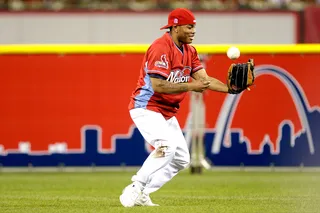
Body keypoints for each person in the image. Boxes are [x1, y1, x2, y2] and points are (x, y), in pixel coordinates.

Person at [120, 8, 231, 207]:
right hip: (146, 106)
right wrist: (191, 86)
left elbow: (204, 80)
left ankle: (144, 192)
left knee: (181, 159)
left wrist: (230, 89)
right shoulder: (161, 47)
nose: (193, 31)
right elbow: (158, 85)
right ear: (176, 26)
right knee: (166, 147)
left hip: (166, 113)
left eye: (194, 27)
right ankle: (135, 186)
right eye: (189, 27)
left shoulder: (190, 51)